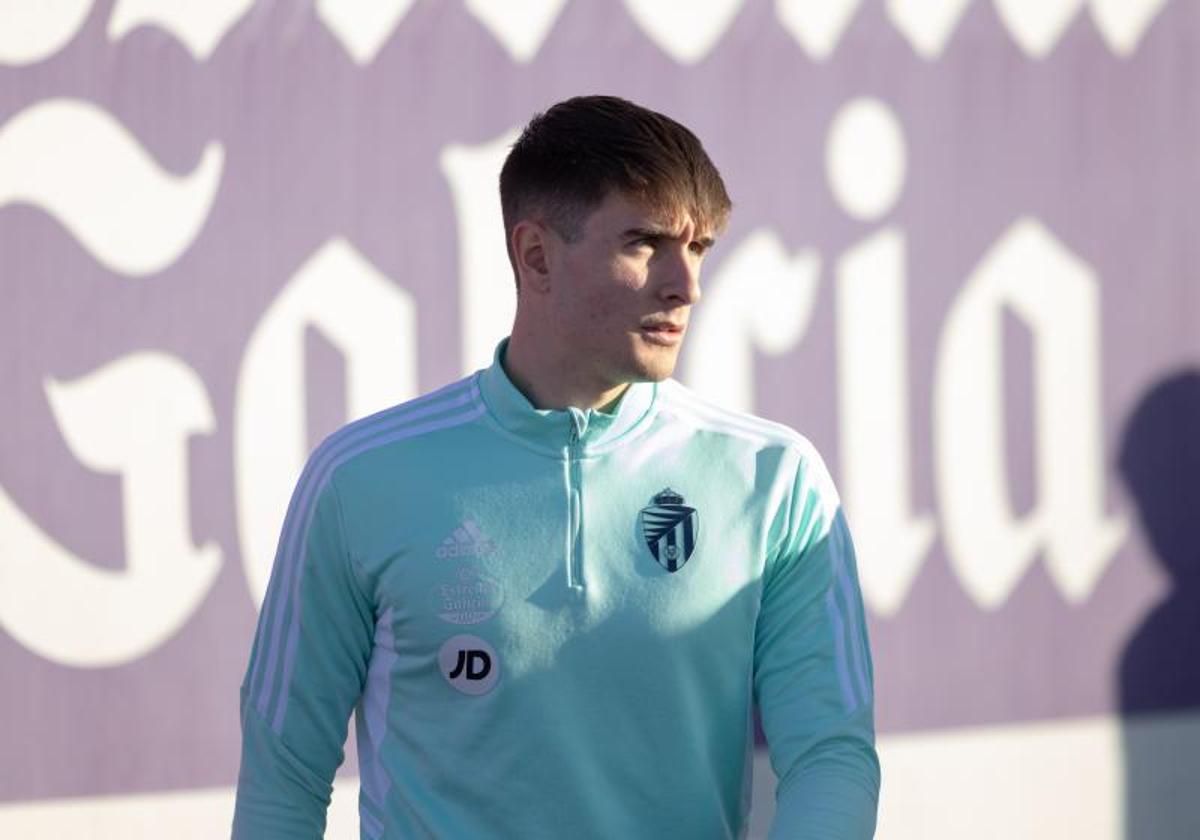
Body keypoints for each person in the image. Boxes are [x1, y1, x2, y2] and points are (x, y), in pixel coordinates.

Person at [233, 94, 880, 839]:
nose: (687, 285)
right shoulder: (358, 480)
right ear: (536, 255)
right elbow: (283, 778)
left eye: (698, 249)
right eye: (645, 243)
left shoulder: (774, 479)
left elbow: (830, 756)